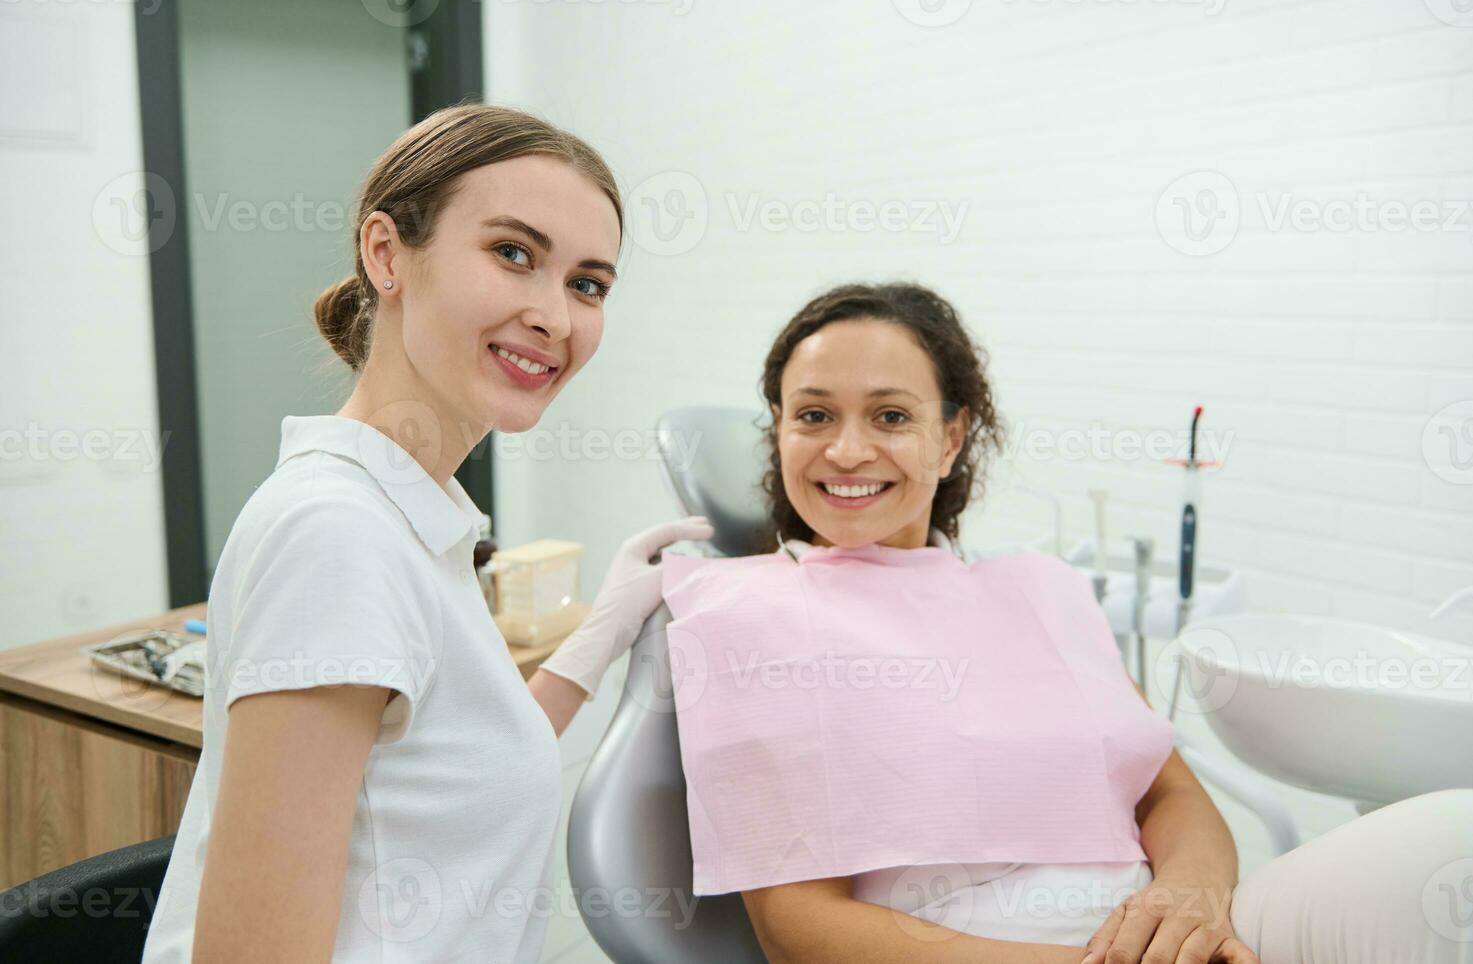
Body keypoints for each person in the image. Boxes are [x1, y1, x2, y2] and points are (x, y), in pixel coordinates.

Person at [683, 281, 1473, 964]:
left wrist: (1189, 897)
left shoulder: (1038, 588)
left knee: (1452, 835)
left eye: (890, 416)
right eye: (813, 415)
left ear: (951, 438)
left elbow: (1168, 793)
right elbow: (798, 931)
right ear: (779, 431)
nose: (847, 451)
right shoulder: (751, 611)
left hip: (1158, 933)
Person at [142, 103, 711, 962]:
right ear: (386, 255)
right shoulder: (337, 536)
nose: (555, 318)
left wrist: (601, 633)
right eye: (513, 254)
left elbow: (442, 775)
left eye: (587, 284)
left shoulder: (408, 518)